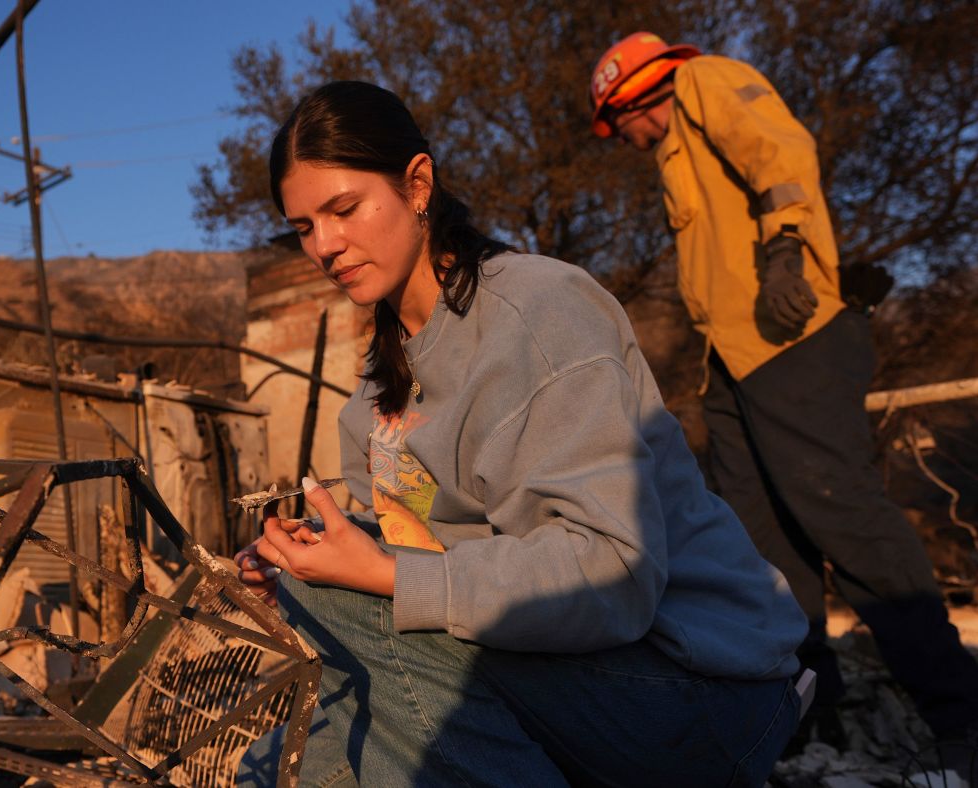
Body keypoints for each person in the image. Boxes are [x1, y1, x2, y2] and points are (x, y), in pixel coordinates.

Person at [232, 79, 809, 787]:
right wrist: (316, 553)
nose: (325, 245)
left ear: (418, 184)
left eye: (344, 209)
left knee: (338, 614)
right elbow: (423, 548)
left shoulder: (538, 315)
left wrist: (375, 575)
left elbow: (613, 576)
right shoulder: (376, 392)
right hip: (563, 677)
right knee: (276, 762)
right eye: (303, 227)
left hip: (698, 686)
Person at [589, 31, 978, 754]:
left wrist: (787, 248)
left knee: (842, 517)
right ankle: (803, 712)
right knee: (760, 546)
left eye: (621, 124)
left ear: (637, 95)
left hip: (790, 340)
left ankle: (960, 710)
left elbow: (782, 149)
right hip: (733, 364)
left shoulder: (702, 82)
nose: (627, 141)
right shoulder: (680, 154)